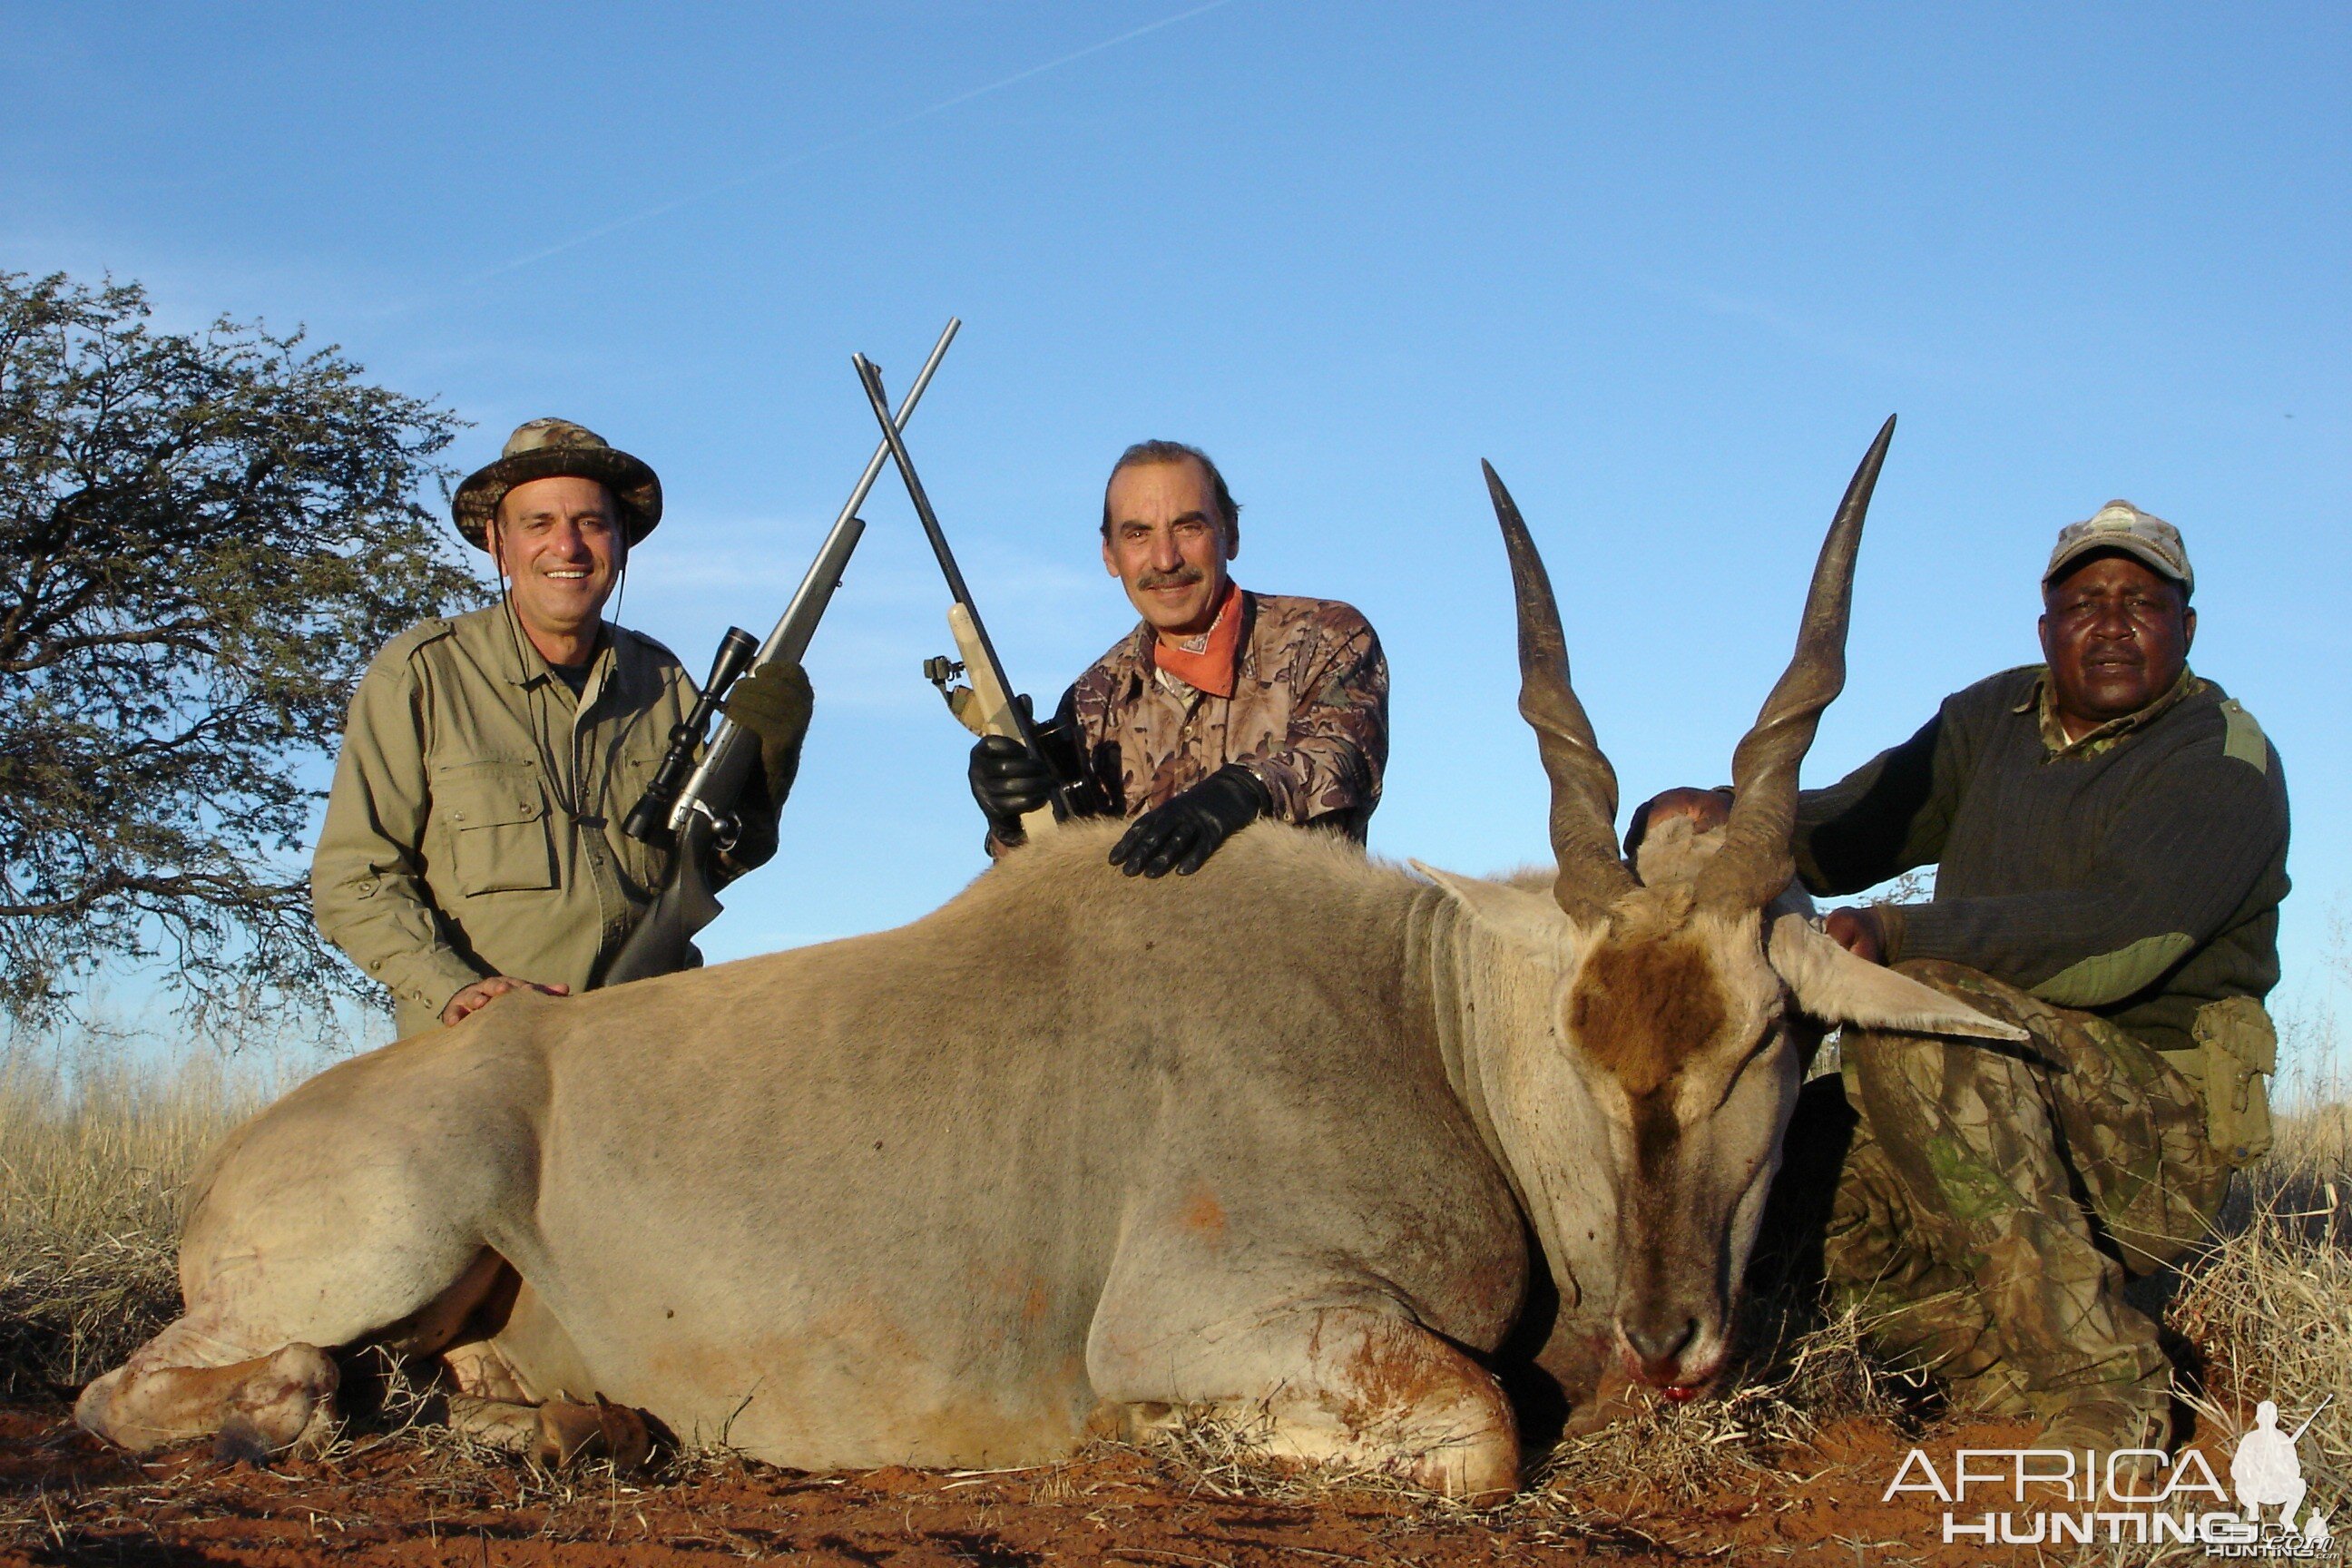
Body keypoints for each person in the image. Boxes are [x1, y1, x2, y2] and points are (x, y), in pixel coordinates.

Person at [1637, 500, 2288, 1455]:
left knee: (1921, 1021)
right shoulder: (1996, 715)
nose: (2111, 623)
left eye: (2141, 601)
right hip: (1974, 1118)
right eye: (2084, 602)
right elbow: (1861, 824)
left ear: (2185, 627)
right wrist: (1728, 815)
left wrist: (1897, 933)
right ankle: (2006, 1363)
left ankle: (2107, 1382)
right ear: (2046, 627)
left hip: (2146, 1142)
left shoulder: (2220, 759)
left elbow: (2121, 937)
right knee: (1781, 1192)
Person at [313, 418, 813, 1036]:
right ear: (498, 543)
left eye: (591, 523)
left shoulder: (663, 680)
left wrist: (766, 771)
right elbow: (354, 879)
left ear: (621, 544)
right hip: (480, 1058)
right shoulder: (422, 675)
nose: (568, 548)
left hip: (647, 1038)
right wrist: (459, 991)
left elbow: (708, 863)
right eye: (538, 524)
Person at [968, 440, 1388, 877]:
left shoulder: (1326, 636)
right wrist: (1012, 825)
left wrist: (1243, 791)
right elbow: (1060, 879)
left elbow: (1342, 758)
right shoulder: (1091, 698)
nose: (1166, 559)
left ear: (1232, 533)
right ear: (1109, 554)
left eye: (1188, 528)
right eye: (1137, 534)